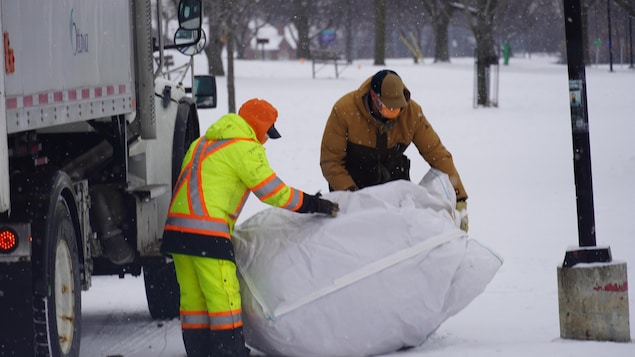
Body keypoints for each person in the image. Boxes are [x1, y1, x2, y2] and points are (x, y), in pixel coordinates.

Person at [162, 98, 339, 357]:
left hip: (177, 232)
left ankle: (198, 351)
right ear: (258, 127)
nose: (266, 140)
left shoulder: (201, 143)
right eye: (268, 133)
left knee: (193, 300)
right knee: (224, 297)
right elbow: (272, 192)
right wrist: (313, 204)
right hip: (207, 234)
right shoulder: (245, 148)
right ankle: (229, 352)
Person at [320, 69, 468, 231]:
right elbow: (331, 162)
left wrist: (459, 197)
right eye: (388, 109)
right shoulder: (344, 111)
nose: (394, 114)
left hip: (393, 182)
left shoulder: (411, 113)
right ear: (374, 97)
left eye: (397, 108)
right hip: (353, 183)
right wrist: (353, 197)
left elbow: (436, 153)